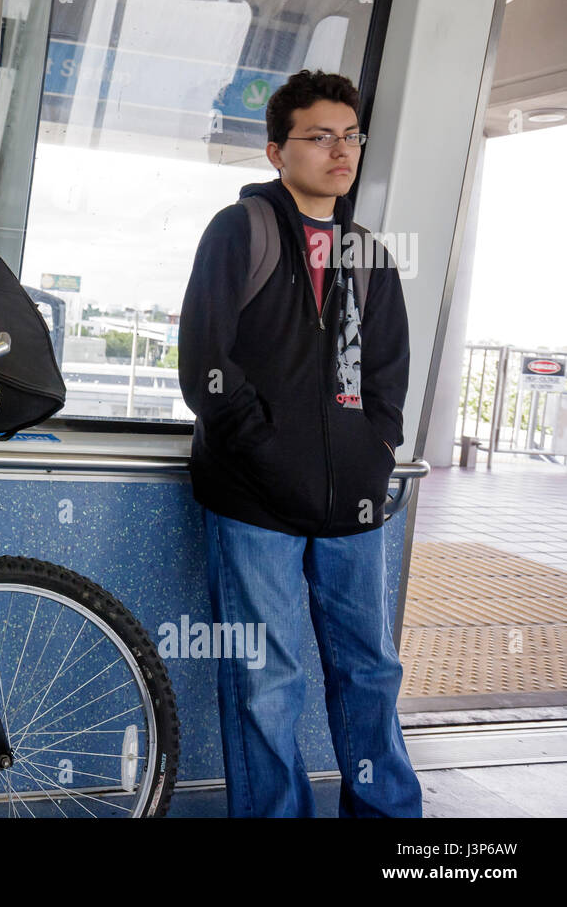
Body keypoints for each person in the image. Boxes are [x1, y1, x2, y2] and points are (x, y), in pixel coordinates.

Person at [178, 69, 421, 817]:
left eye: (350, 136)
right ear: (278, 151)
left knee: (370, 670)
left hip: (351, 503)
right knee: (266, 677)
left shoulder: (371, 253)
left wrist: (374, 454)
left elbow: (387, 380)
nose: (339, 150)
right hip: (254, 500)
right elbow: (205, 364)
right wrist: (268, 455)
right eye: (320, 136)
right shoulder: (239, 231)